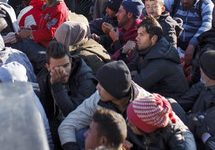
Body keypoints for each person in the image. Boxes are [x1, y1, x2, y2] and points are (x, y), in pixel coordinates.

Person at [58, 60, 194, 149]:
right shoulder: (98, 98)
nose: (96, 87)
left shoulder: (149, 107)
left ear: (114, 91)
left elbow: (183, 134)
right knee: (82, 135)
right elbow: (68, 125)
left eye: (102, 85)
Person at [37, 41, 97, 140]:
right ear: (48, 67)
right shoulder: (45, 77)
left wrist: (57, 87)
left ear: (71, 61)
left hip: (80, 129)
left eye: (66, 66)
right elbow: (48, 110)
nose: (63, 72)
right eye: (57, 68)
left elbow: (74, 115)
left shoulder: (85, 79)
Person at [129, 17, 189, 99]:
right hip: (157, 98)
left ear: (153, 39)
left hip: (174, 104)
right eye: (137, 34)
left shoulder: (161, 61)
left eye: (141, 35)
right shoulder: (145, 49)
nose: (137, 38)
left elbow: (136, 85)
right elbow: (131, 66)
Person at [164, 0, 213, 65]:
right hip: (175, 40)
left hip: (198, 42)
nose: (185, 1)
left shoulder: (205, 5)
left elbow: (207, 26)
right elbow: (161, 16)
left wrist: (192, 44)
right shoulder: (172, 1)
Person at [127, 94, 194, 149]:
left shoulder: (181, 143)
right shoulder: (140, 124)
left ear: (146, 128)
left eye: (131, 124)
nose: (127, 125)